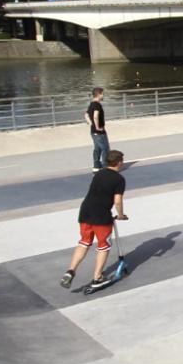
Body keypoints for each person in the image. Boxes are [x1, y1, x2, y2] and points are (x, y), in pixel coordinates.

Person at [61, 149, 128, 290]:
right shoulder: (119, 179)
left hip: (85, 211)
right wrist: (121, 215)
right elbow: (117, 200)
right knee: (103, 246)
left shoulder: (99, 174)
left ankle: (71, 271)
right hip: (101, 215)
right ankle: (97, 278)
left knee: (84, 242)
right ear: (119, 162)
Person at [86, 87, 109, 172]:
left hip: (93, 131)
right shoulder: (97, 105)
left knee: (97, 148)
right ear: (98, 94)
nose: (103, 95)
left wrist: (90, 123)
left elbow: (86, 115)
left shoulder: (91, 104)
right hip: (99, 131)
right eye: (102, 94)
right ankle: (106, 167)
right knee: (105, 148)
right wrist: (97, 127)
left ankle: (96, 166)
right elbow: (95, 116)